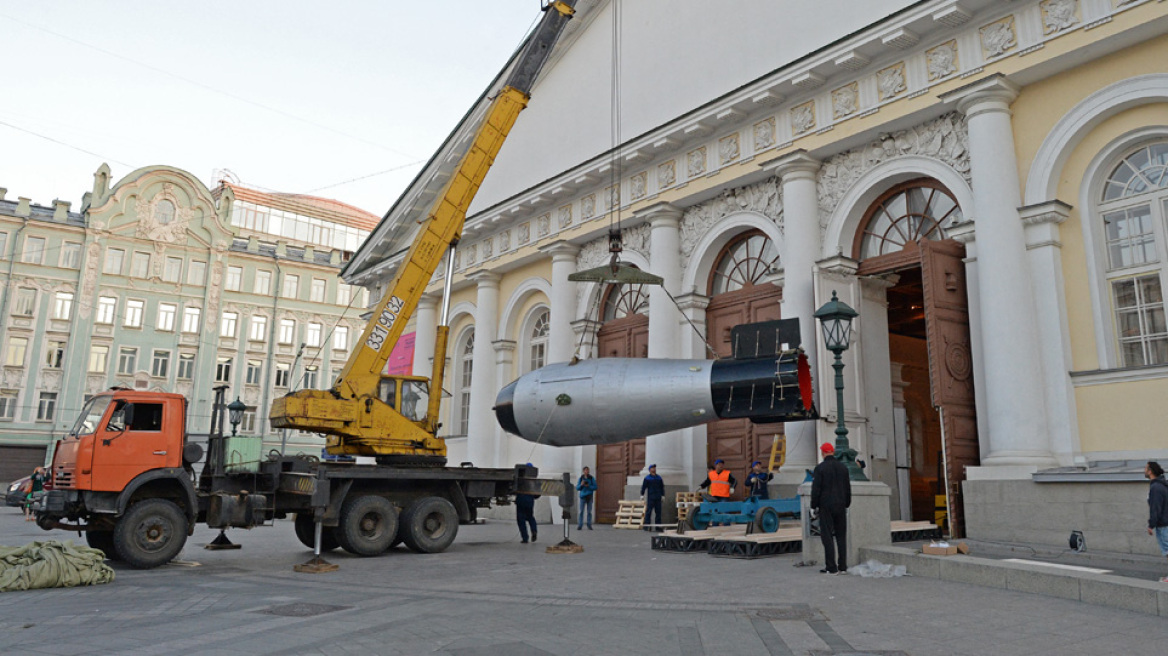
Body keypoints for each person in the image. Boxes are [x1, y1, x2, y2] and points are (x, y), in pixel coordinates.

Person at [811, 443, 851, 575]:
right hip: (840, 504)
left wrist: (813, 505)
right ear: (833, 452)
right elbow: (847, 488)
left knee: (827, 536)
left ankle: (831, 567)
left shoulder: (820, 468)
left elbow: (816, 489)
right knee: (841, 536)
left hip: (826, 505)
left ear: (822, 453)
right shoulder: (843, 468)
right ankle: (843, 566)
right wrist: (846, 503)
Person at [1146, 461, 1168, 583]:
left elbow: (1156, 507)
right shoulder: (1163, 485)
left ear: (1150, 471)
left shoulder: (1156, 487)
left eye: (1145, 468)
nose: (1144, 471)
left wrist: (1151, 525)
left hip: (1163, 524)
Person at [516, 463, 539, 544]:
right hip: (530, 502)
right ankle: (534, 530)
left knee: (521, 519)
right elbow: (537, 494)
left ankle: (525, 538)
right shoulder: (534, 480)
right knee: (530, 517)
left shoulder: (520, 478)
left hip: (520, 500)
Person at [640, 464, 665, 531]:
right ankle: (647, 526)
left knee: (658, 513)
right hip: (651, 497)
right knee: (648, 512)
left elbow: (662, 487)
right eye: (652, 468)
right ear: (650, 470)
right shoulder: (647, 478)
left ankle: (658, 527)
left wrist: (663, 495)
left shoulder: (659, 478)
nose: (654, 469)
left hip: (658, 497)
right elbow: (644, 487)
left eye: (655, 468)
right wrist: (642, 494)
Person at [576, 466, 597, 530]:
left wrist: (589, 486)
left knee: (589, 511)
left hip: (589, 496)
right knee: (581, 511)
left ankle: (589, 524)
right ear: (583, 471)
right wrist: (581, 485)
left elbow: (595, 487)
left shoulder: (591, 478)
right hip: (583, 496)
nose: (586, 471)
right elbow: (577, 488)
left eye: (587, 470)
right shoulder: (581, 478)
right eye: (585, 470)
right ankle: (580, 525)